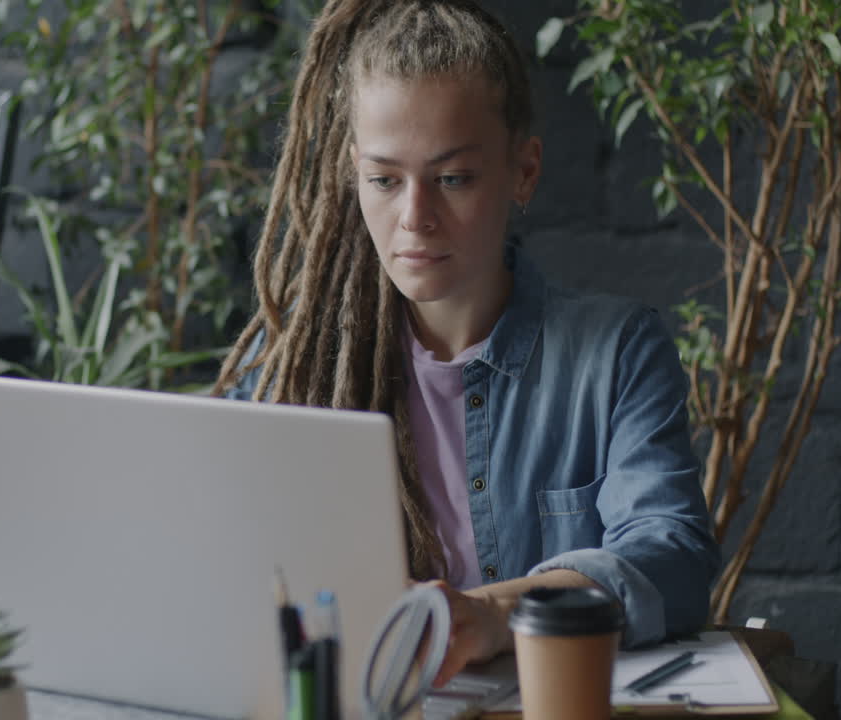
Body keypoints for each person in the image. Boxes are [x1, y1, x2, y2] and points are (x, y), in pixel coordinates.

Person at [213, 0, 719, 686]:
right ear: (353, 170)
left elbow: (674, 558)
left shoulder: (615, 353)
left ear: (524, 172)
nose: (415, 218)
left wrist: (493, 613)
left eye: (453, 178)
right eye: (385, 180)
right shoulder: (286, 364)